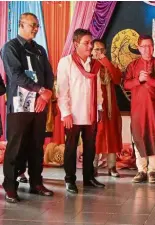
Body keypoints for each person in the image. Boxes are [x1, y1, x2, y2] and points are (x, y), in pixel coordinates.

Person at [1, 12, 54, 203]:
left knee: (36, 145)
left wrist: (46, 93)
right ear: (21, 24)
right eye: (32, 25)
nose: (35, 29)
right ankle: (10, 186)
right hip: (19, 105)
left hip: (39, 105)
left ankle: (36, 182)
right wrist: (40, 90)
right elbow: (15, 75)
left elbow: (49, 73)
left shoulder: (39, 49)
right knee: (16, 146)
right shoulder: (10, 47)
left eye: (37, 26)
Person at [57, 28, 105, 194]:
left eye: (91, 43)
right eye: (86, 43)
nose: (90, 46)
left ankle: (89, 178)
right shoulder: (66, 62)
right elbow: (62, 91)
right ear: (76, 44)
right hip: (73, 114)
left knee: (90, 147)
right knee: (71, 148)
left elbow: (98, 89)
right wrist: (66, 113)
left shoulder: (94, 65)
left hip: (90, 113)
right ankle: (70, 179)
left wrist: (99, 108)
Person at [123, 35, 155, 184]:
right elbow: (126, 84)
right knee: (139, 136)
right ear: (139, 48)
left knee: (154, 136)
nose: (147, 49)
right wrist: (137, 80)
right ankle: (141, 170)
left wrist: (150, 80)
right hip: (138, 109)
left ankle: (152, 170)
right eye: (144, 46)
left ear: (153, 47)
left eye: (150, 46)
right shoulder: (133, 65)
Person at [91, 39, 123, 178]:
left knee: (112, 136)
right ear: (91, 50)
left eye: (102, 49)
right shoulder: (88, 65)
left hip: (110, 108)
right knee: (96, 137)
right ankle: (92, 167)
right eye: (96, 49)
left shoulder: (111, 65)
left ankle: (112, 167)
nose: (99, 52)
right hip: (94, 107)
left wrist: (106, 62)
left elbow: (117, 79)